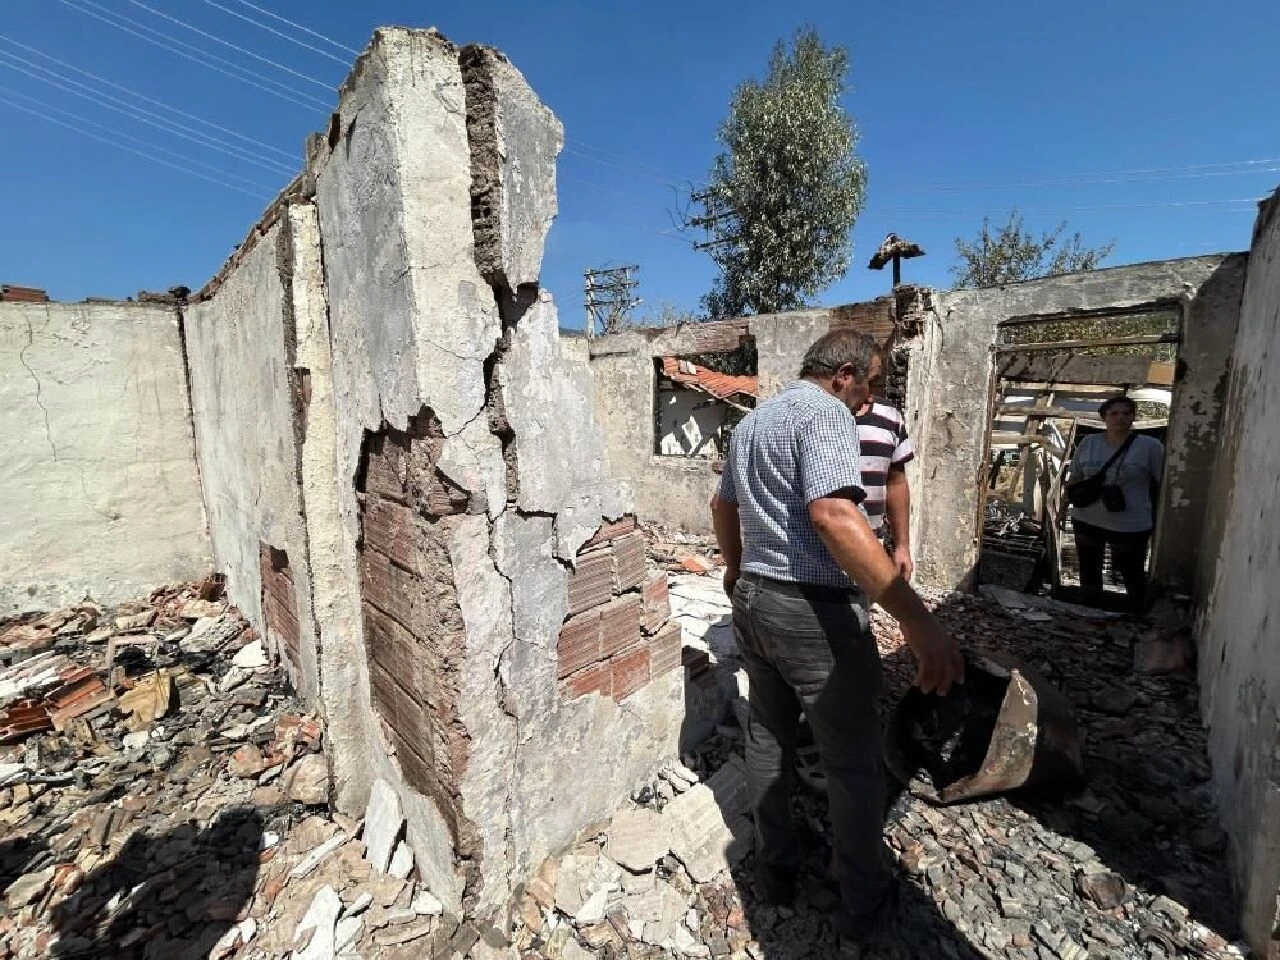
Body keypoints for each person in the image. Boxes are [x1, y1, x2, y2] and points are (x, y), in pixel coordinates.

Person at [709, 329, 965, 952]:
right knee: (851, 759)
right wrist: (918, 620)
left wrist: (736, 567)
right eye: (872, 384)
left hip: (756, 600)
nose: (870, 400)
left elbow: (722, 506)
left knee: (767, 735)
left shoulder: (756, 418)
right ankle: (864, 899)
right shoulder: (826, 414)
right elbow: (834, 515)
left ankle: (777, 870)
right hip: (813, 609)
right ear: (846, 373)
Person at [1067, 395, 1165, 613]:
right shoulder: (1089, 442)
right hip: (1087, 517)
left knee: (1131, 572)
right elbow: (1075, 475)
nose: (1120, 418)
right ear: (1104, 417)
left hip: (1130, 523)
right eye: (1114, 413)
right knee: (1089, 569)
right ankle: (1090, 614)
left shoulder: (1149, 447)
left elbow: (1163, 483)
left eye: (1126, 413)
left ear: (1133, 417)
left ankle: (1136, 615)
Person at [854, 357, 916, 579]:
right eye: (866, 382)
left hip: (871, 545)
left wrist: (902, 547)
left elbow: (896, 482)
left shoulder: (889, 416)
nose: (870, 394)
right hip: (818, 548)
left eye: (876, 382)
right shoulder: (820, 417)